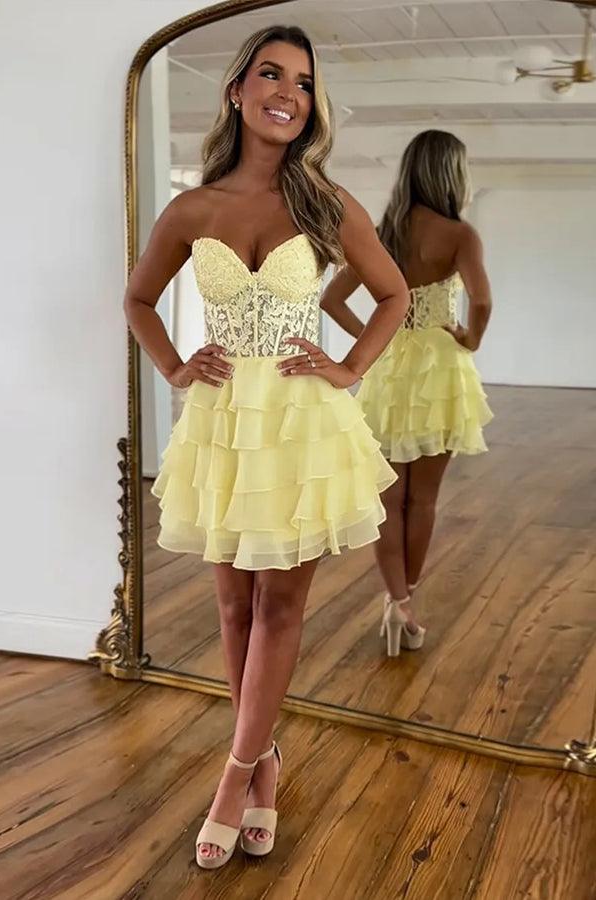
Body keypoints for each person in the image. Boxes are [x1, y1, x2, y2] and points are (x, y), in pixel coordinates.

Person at [124, 25, 409, 869]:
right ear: (237, 90)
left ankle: (235, 774)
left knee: (280, 606)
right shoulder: (192, 209)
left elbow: (393, 294)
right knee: (232, 607)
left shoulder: (326, 202)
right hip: (222, 422)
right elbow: (138, 299)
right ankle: (266, 758)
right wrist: (175, 364)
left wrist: (349, 366)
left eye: (304, 82)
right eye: (272, 74)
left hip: (298, 423)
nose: (289, 93)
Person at [320, 129, 493, 658]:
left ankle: (395, 599)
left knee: (388, 498)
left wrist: (375, 338)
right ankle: (407, 601)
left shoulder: (383, 233)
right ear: (453, 174)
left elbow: (332, 300)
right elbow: (482, 302)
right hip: (439, 370)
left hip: (390, 368)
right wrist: (470, 339)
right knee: (424, 500)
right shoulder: (460, 235)